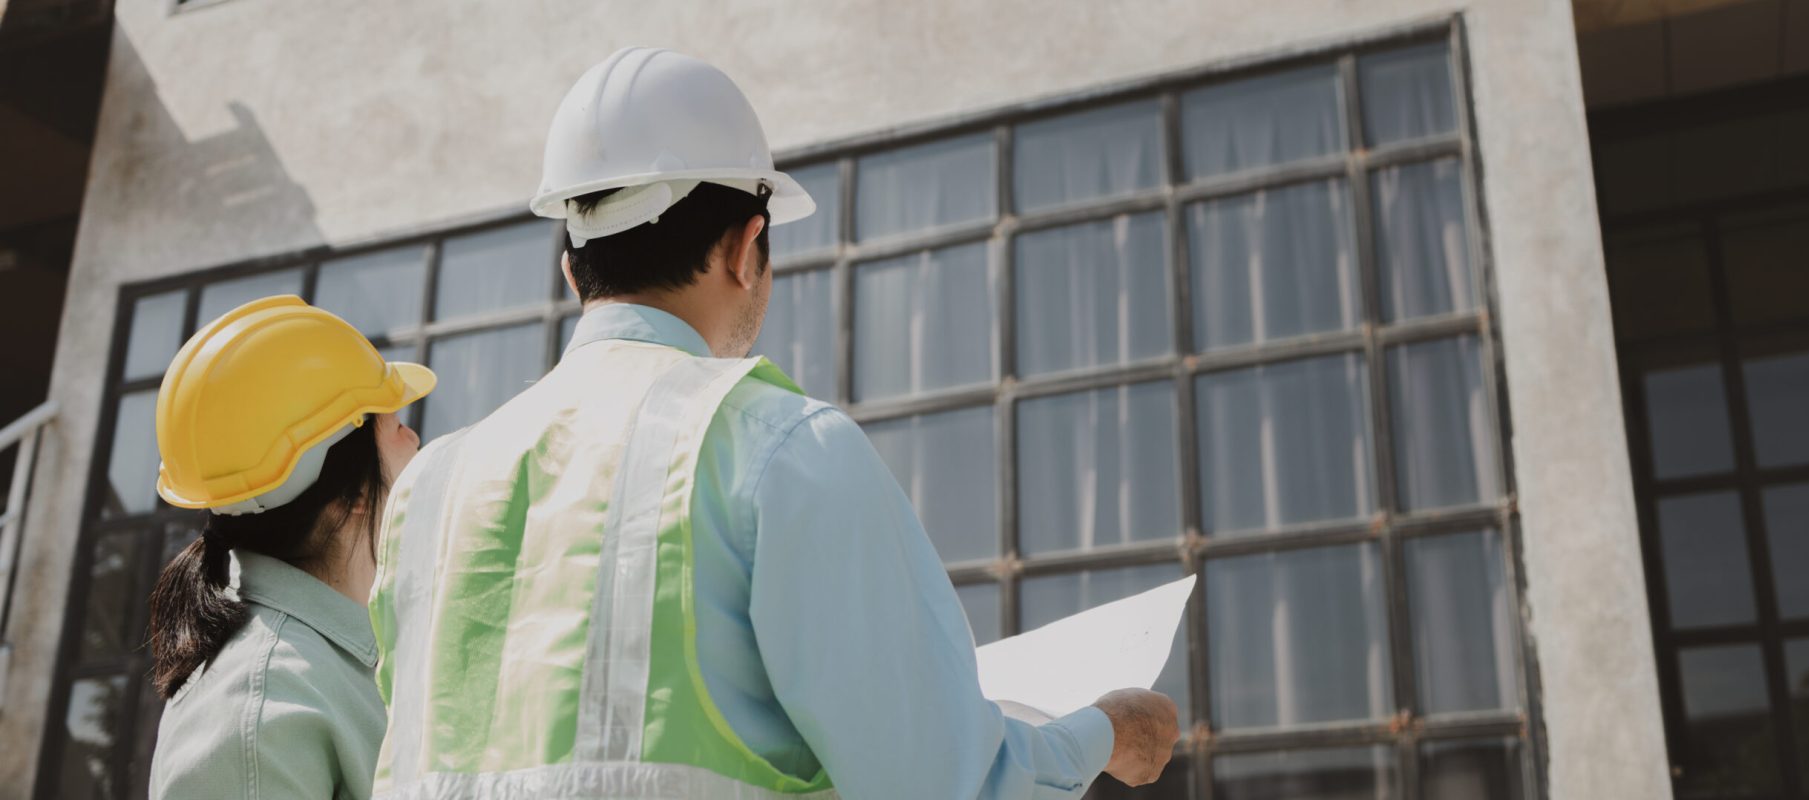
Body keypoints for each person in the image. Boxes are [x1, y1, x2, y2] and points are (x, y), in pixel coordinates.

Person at [368, 47, 1180, 799]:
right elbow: (946, 783)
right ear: (746, 246)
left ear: (572, 268)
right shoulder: (777, 450)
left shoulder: (428, 488)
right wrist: (1105, 733)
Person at [145, 295, 435, 799]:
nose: (415, 442)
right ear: (353, 496)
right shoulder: (262, 712)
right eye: (397, 425)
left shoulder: (348, 661)